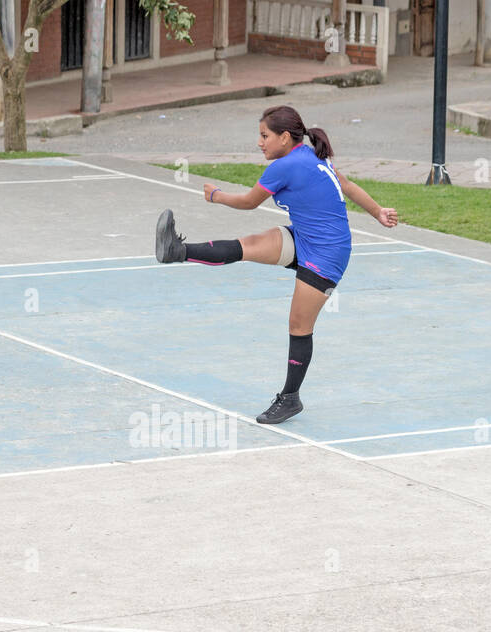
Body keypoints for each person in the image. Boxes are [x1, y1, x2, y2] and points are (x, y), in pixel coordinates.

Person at [154, 105, 398, 424]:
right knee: (250, 245)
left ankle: (290, 398)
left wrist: (216, 195)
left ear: (285, 138)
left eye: (264, 135)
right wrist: (377, 211)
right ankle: (177, 250)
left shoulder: (285, 166)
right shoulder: (312, 155)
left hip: (327, 253)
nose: (260, 142)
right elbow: (347, 186)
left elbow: (248, 202)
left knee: (298, 325)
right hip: (305, 237)